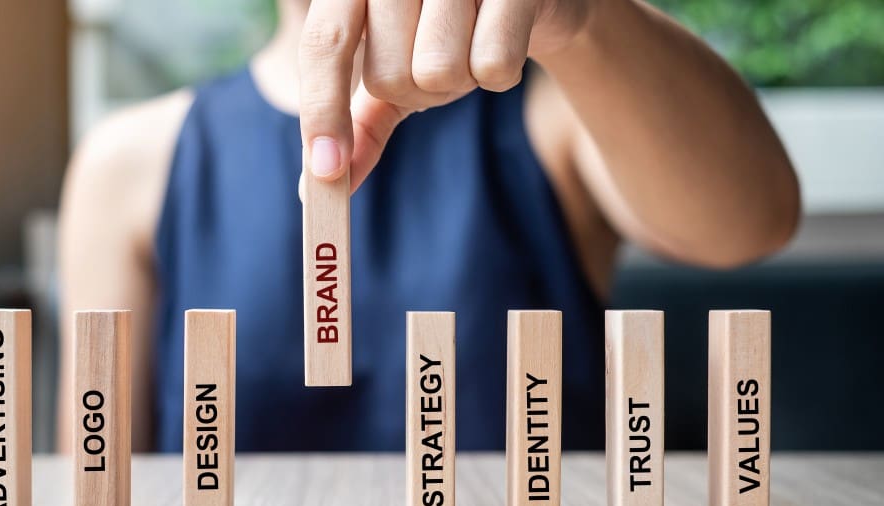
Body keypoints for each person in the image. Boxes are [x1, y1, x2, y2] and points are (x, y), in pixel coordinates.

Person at [56, 0, 800, 453]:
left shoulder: (556, 111)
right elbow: (94, 493)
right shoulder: (131, 161)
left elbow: (747, 225)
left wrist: (586, 19)